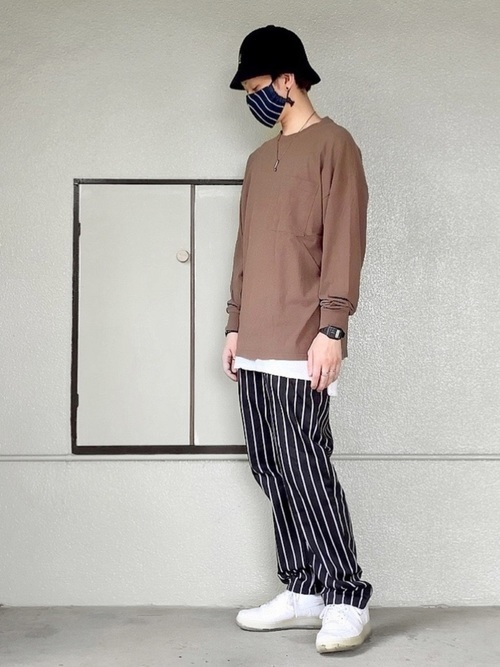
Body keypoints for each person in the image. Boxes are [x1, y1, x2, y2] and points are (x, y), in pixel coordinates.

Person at [222, 25, 373, 655]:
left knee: (306, 466)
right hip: (255, 338)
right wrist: (234, 322)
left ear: (288, 80)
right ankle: (304, 588)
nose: (251, 99)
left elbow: (343, 241)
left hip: (302, 338)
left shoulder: (335, 145)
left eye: (257, 86)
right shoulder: (259, 162)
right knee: (271, 465)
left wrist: (332, 328)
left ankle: (346, 596)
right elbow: (246, 249)